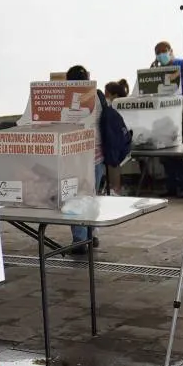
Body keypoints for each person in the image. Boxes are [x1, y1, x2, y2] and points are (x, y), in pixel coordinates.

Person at [64, 65, 110, 251]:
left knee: (75, 198)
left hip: (76, 156)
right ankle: (92, 235)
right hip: (97, 156)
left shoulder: (67, 98)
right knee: (91, 196)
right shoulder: (97, 94)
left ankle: (80, 240)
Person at [149, 41, 183, 198]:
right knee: (166, 153)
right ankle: (171, 185)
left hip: (181, 111)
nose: (161, 55)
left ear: (171, 51)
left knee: (179, 151)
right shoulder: (157, 69)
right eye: (158, 53)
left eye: (163, 51)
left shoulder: (182, 64)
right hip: (164, 114)